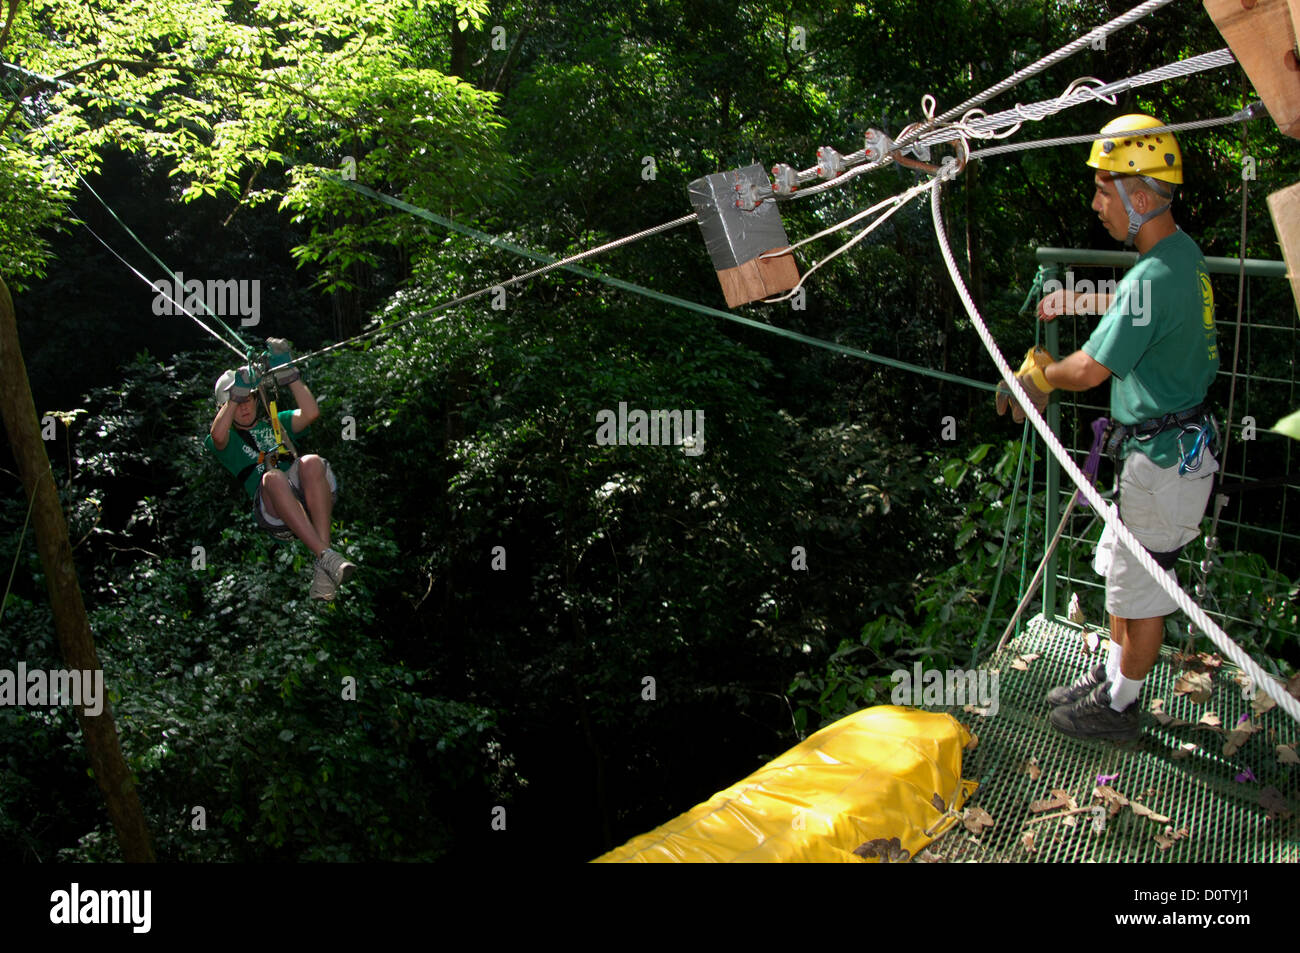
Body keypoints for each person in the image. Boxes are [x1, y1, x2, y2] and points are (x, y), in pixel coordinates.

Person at [997, 114, 1219, 740]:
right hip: (1166, 454)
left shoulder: (1155, 275)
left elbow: (1090, 370)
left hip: (1165, 461)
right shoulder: (1182, 255)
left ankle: (1121, 708)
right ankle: (1115, 678)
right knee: (1125, 582)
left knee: (1142, 595)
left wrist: (1040, 377)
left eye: (1103, 189)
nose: (1096, 204)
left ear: (1140, 197)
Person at [206, 338, 355, 601]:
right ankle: (325, 556)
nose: (245, 405)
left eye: (249, 398)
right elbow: (217, 435)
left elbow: (310, 413)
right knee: (272, 477)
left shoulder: (275, 423)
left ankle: (325, 562)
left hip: (303, 494)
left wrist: (290, 376)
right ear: (225, 407)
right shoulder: (227, 439)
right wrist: (234, 394)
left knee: (310, 461)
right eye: (237, 402)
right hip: (274, 510)